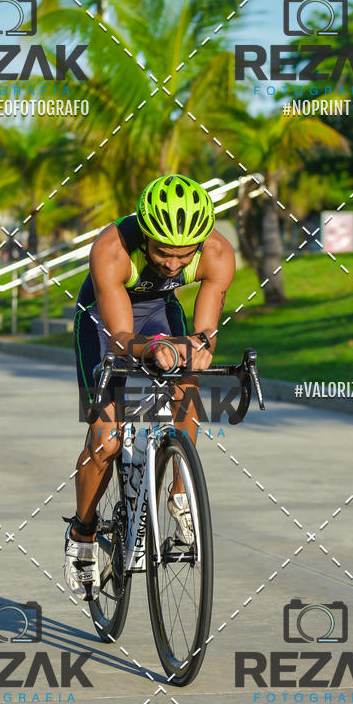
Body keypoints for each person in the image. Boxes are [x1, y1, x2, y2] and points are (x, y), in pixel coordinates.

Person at [64, 174, 235, 600]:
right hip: (104, 322)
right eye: (163, 253)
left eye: (184, 255)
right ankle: (82, 533)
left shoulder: (217, 253)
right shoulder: (111, 249)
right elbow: (121, 339)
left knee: (187, 379)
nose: (174, 265)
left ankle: (180, 493)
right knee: (106, 440)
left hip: (159, 311)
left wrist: (199, 348)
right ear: (145, 235)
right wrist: (155, 348)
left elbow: (206, 331)